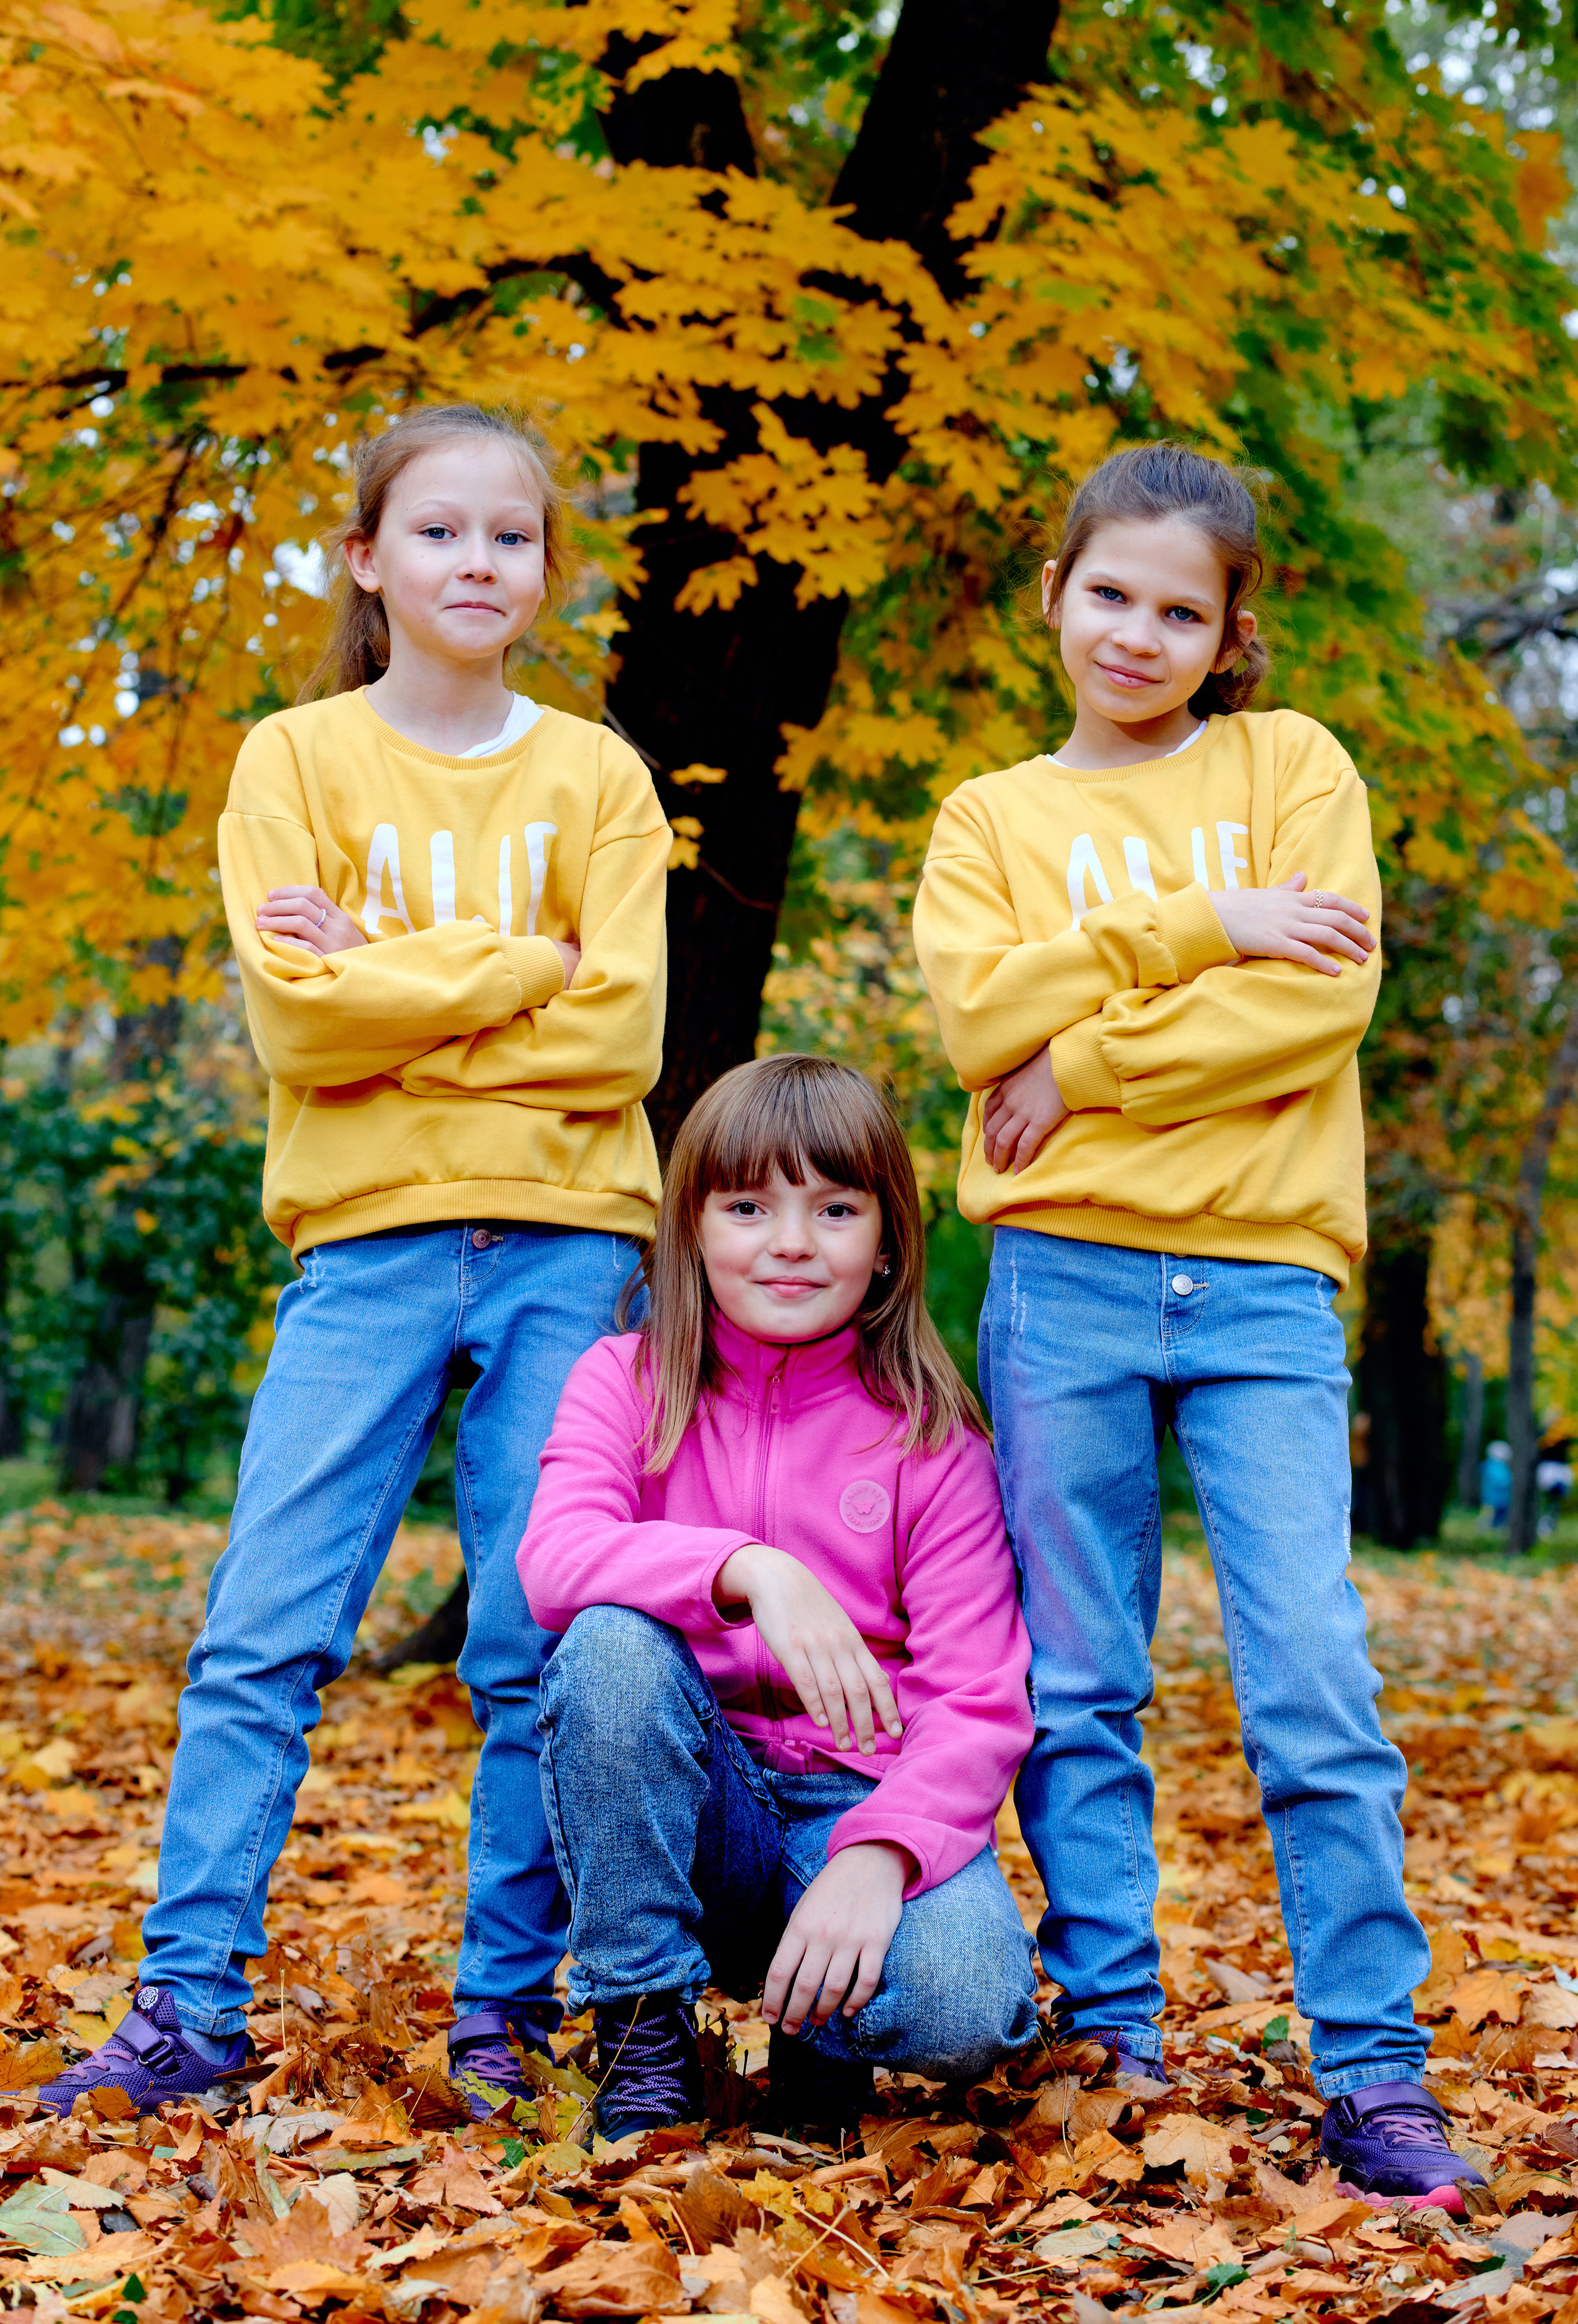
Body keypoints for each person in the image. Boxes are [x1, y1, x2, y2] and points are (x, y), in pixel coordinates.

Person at [42, 402, 669, 2121]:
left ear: (545, 570)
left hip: (569, 1242)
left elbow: (621, 1042)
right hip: (365, 1243)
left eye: (512, 537)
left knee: (533, 1647)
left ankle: (503, 2015)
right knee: (262, 1627)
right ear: (368, 559)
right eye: (441, 531)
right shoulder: (292, 761)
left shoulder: (597, 779)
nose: (479, 562)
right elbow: (300, 1030)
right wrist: (520, 965)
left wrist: (388, 970)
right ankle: (188, 2008)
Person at [912, 441, 1483, 2210]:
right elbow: (973, 1024)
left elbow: (1313, 1009)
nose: (1136, 635)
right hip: (1062, 1279)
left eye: (1180, 612)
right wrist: (1205, 924)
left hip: (1261, 1284)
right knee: (1079, 1680)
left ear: (1231, 635)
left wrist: (1081, 1064)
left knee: (1310, 1674)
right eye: (1109, 595)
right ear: (1054, 597)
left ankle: (1372, 2072)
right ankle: (1115, 2044)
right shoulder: (989, 822)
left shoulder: (1291, 767)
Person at [518, 1055, 1039, 2139]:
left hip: (856, 1802)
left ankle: (824, 2043)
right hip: (693, 1803)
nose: (791, 1242)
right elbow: (556, 1560)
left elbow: (977, 1699)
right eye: (749, 1207)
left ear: (886, 1242)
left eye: (835, 1209)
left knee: (966, 2005)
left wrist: (880, 1855)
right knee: (608, 1644)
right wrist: (749, 1569)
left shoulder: (934, 1441)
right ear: (693, 1228)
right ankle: (642, 2028)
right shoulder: (625, 1379)